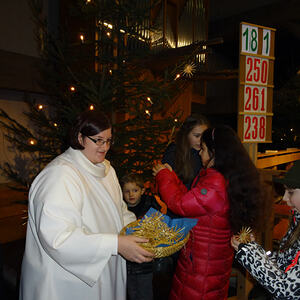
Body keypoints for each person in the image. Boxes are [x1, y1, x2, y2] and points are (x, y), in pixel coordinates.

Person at [19, 110, 153, 300]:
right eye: (98, 140)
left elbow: (119, 211)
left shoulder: (107, 169)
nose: (104, 147)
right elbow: (58, 239)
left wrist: (136, 231)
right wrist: (115, 244)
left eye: (108, 140)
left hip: (105, 269)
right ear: (80, 138)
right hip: (67, 281)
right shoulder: (59, 176)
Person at [153, 126, 261, 300]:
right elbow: (192, 199)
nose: (200, 154)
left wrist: (164, 176)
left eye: (203, 149)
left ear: (214, 153)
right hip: (210, 260)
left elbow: (180, 204)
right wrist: (172, 177)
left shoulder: (216, 183)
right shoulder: (224, 177)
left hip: (202, 266)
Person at [231, 160, 300, 300]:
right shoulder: (296, 221)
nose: (285, 198)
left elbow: (288, 291)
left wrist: (250, 254)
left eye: (291, 192)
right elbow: (282, 264)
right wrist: (254, 249)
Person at [120, 173, 173, 300]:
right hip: (127, 261)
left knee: (145, 291)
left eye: (135, 190)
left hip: (146, 260)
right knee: (131, 291)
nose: (131, 194)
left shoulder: (150, 205)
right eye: (127, 191)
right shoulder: (120, 207)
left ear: (142, 190)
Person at [162, 114, 209, 190]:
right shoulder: (174, 151)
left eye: (204, 136)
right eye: (197, 136)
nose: (201, 140)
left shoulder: (205, 152)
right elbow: (166, 183)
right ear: (186, 134)